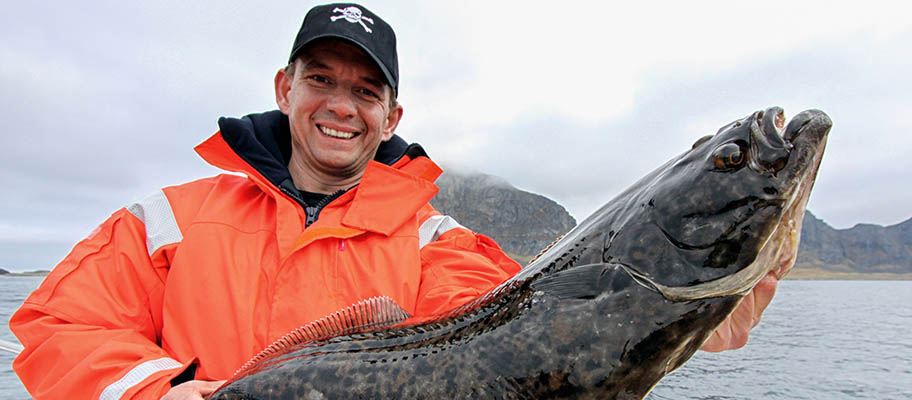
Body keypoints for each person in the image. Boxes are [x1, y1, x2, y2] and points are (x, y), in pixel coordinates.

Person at [10, 3, 783, 399]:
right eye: (322, 81)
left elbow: (523, 337)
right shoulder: (168, 220)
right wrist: (164, 394)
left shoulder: (437, 241)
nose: (342, 106)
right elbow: (57, 325)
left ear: (393, 116)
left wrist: (676, 323)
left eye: (366, 90)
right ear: (286, 89)